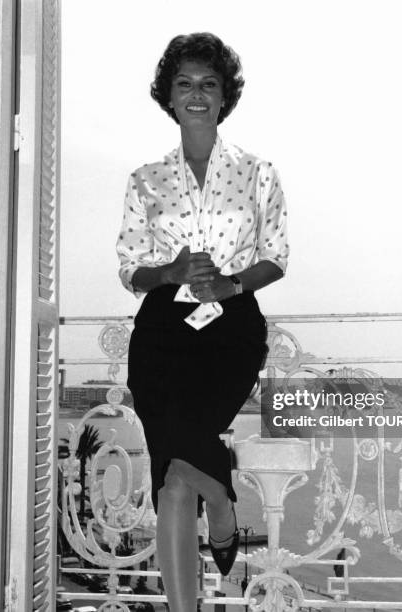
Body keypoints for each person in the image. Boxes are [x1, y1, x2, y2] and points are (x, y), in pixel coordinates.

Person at [116, 32, 289, 611]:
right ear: (169, 96)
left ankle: (217, 494)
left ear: (224, 97)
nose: (196, 94)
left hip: (231, 327)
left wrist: (233, 283)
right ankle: (217, 496)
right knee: (171, 477)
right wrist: (165, 273)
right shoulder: (144, 179)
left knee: (179, 457)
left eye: (208, 84)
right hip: (163, 331)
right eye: (184, 84)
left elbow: (276, 256)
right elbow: (129, 269)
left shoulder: (258, 172)